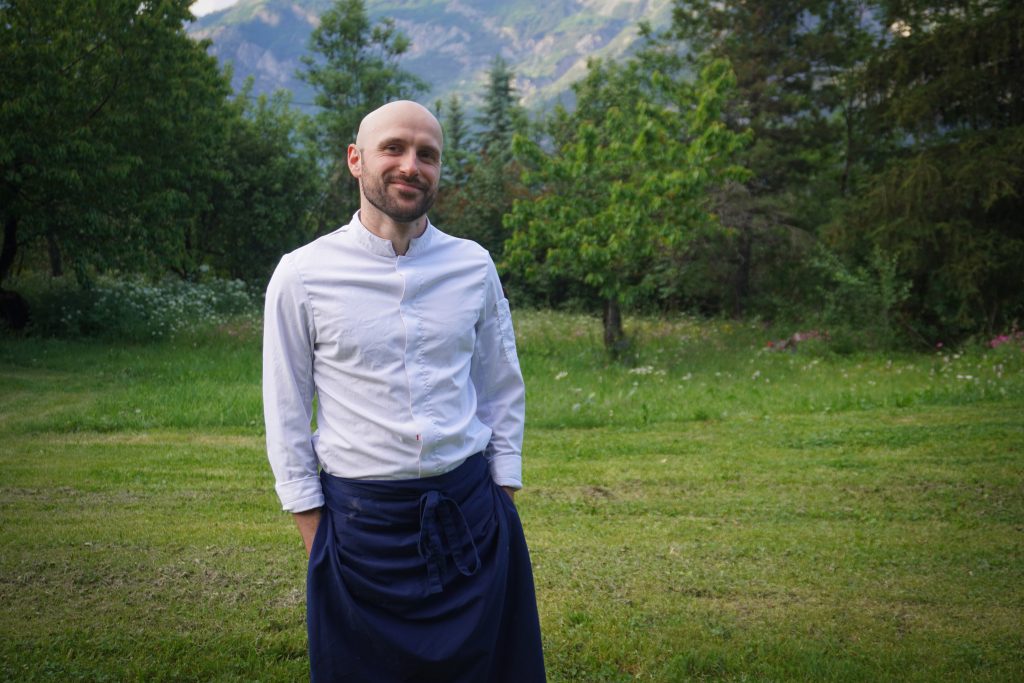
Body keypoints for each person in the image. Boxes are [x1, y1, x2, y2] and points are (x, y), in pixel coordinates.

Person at [262, 100, 546, 682]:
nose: (411, 166)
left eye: (427, 154)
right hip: (360, 533)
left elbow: (500, 388)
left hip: (474, 521)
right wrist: (318, 538)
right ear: (356, 159)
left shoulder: (473, 266)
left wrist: (502, 498)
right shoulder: (301, 274)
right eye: (393, 148)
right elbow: (286, 413)